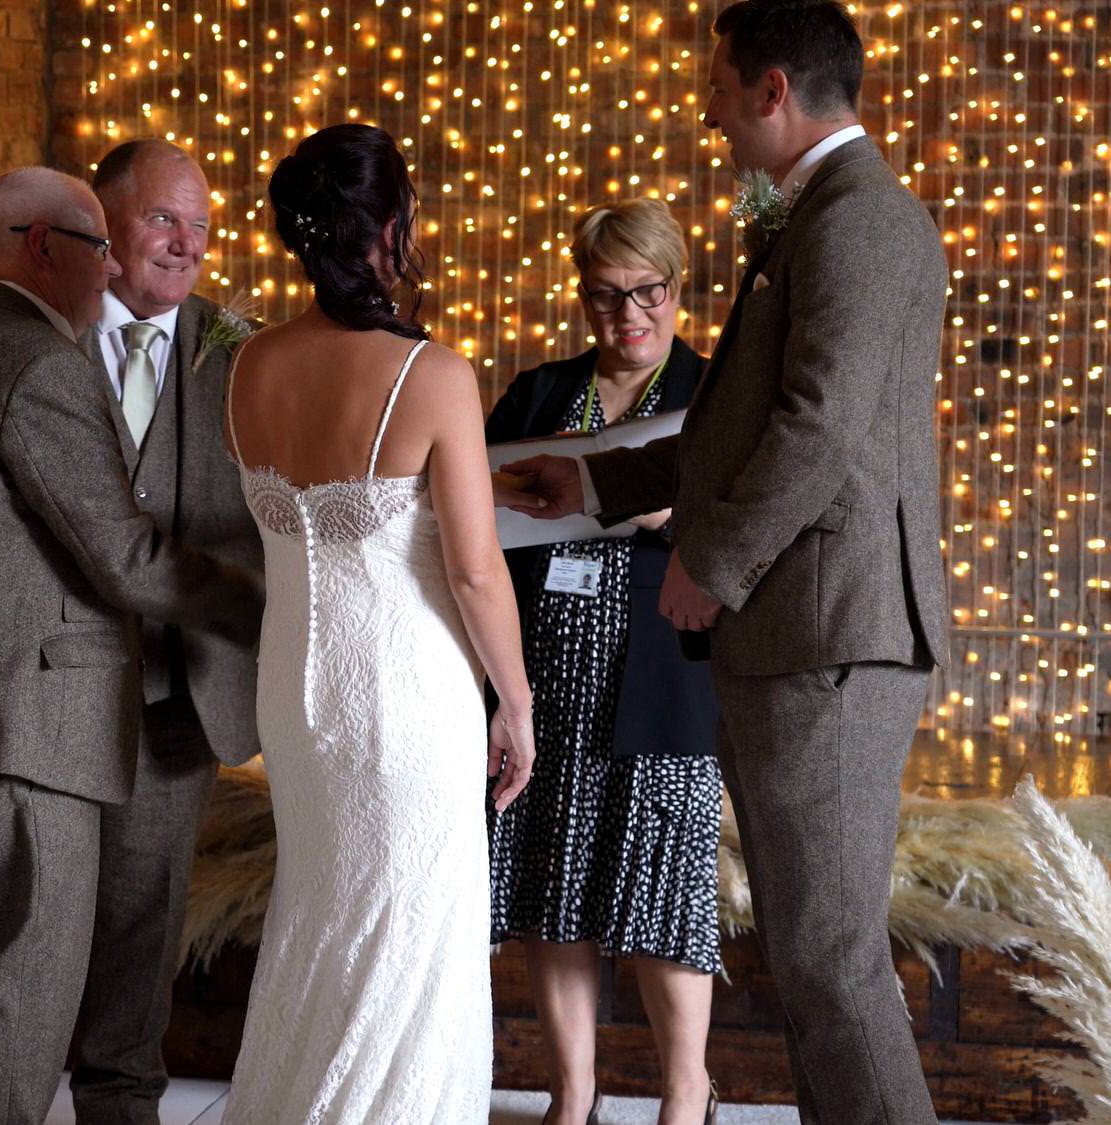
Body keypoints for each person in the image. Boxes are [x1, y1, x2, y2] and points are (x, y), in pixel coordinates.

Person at [501, 2, 950, 1121]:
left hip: (827, 634)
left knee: (833, 961)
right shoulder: (815, 218)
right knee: (808, 958)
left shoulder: (860, 219)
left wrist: (711, 562)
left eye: (717, 89)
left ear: (771, 90)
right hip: (796, 637)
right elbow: (732, 431)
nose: (710, 115)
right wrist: (594, 483)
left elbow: (816, 426)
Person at [0, 166, 262, 1125]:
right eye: (100, 245)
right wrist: (273, 610)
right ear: (41, 246)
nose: (108, 267)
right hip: (25, 722)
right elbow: (123, 554)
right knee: (20, 990)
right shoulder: (37, 361)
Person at [220, 122, 535, 1124]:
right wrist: (516, 702)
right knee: (409, 941)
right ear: (391, 225)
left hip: (294, 700)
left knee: (321, 922)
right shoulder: (432, 375)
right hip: (405, 700)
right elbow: (474, 571)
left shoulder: (248, 367)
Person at [484, 200, 720, 1125]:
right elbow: (476, 516)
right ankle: (572, 1093)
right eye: (606, 295)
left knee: (664, 889)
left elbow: (756, 525)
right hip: (546, 680)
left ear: (678, 286)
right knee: (553, 884)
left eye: (647, 292)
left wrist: (667, 511)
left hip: (667, 676)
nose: (628, 315)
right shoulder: (540, 393)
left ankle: (685, 1095)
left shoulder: (715, 393)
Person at [62, 139, 264, 1123]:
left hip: (179, 698)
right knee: (32, 929)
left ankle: (119, 1109)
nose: (187, 244)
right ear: (103, 224)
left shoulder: (244, 355)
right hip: (48, 691)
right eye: (162, 220)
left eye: (201, 226)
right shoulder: (38, 337)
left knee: (142, 931)